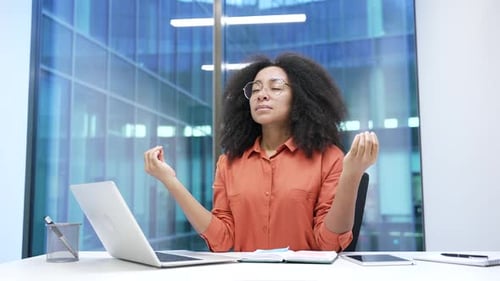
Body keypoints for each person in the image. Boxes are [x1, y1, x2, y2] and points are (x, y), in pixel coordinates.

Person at [144, 52, 379, 252]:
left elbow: (329, 244)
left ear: (300, 99)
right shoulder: (229, 163)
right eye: (255, 89)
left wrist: (351, 175)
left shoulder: (328, 158)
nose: (262, 94)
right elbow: (222, 240)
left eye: (276, 87)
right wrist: (170, 181)